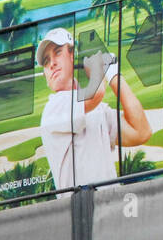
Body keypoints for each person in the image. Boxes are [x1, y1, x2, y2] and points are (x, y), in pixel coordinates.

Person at [36, 28, 152, 191]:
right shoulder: (53, 108)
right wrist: (97, 68)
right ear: (46, 77)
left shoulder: (98, 111)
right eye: (46, 62)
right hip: (83, 211)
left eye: (57, 53)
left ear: (72, 56)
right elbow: (96, 93)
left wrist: (113, 74)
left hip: (111, 207)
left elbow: (141, 132)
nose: (52, 63)